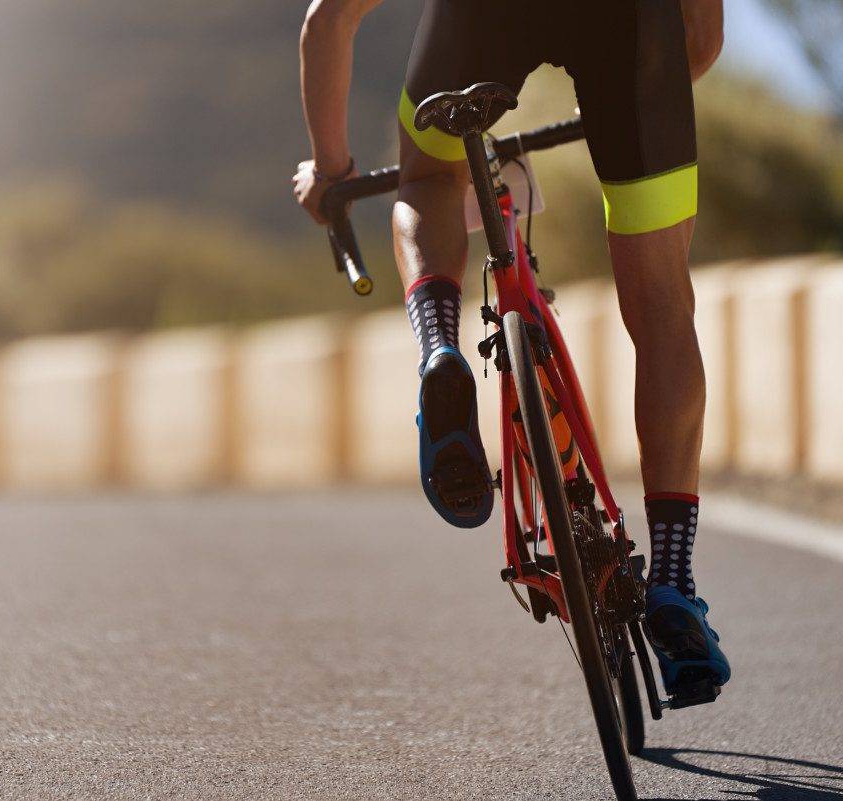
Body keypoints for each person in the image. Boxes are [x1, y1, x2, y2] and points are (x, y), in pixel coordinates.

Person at [293, 0, 730, 698]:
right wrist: (637, 102)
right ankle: (674, 579)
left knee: (430, 177)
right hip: (632, 25)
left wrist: (331, 166)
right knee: (663, 309)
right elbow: (701, 42)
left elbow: (329, 18)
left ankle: (439, 343)